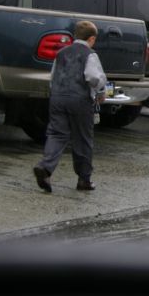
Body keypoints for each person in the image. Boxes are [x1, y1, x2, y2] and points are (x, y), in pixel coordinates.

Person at [34, 20, 107, 193]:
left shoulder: (61, 53)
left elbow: (53, 76)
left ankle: (45, 168)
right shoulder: (90, 55)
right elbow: (93, 77)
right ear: (91, 39)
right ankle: (84, 179)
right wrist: (101, 90)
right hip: (80, 100)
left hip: (58, 98)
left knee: (56, 134)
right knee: (82, 138)